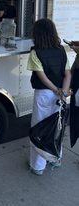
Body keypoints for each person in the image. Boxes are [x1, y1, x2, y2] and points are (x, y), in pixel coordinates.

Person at [27, 19, 72, 175]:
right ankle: (55, 158)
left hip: (44, 95)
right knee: (56, 128)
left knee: (39, 130)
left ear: (37, 34)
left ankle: (38, 166)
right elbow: (67, 74)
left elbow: (42, 77)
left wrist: (57, 90)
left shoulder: (35, 52)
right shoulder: (61, 50)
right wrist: (63, 92)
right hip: (60, 96)